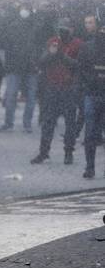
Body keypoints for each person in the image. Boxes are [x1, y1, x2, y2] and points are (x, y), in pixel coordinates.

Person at [31, 19, 82, 165]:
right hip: (52, 86)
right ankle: (43, 152)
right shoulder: (52, 41)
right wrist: (51, 53)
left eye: (66, 29)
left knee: (70, 122)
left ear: (72, 29)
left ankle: (68, 152)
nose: (63, 32)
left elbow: (79, 66)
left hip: (69, 87)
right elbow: (41, 62)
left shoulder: (78, 44)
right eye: (61, 29)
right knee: (48, 121)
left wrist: (62, 56)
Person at [0, 1, 44, 133]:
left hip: (31, 67)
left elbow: (39, 47)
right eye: (23, 8)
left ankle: (26, 123)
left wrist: (38, 63)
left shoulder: (36, 26)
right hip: (15, 66)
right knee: (12, 95)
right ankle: (9, 122)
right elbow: (7, 46)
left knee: (30, 96)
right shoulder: (13, 26)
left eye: (27, 8)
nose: (25, 11)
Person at [76, 21, 105, 179]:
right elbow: (81, 70)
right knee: (90, 133)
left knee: (91, 133)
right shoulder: (87, 47)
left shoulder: (87, 46)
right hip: (92, 93)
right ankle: (90, 166)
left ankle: (90, 167)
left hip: (93, 93)